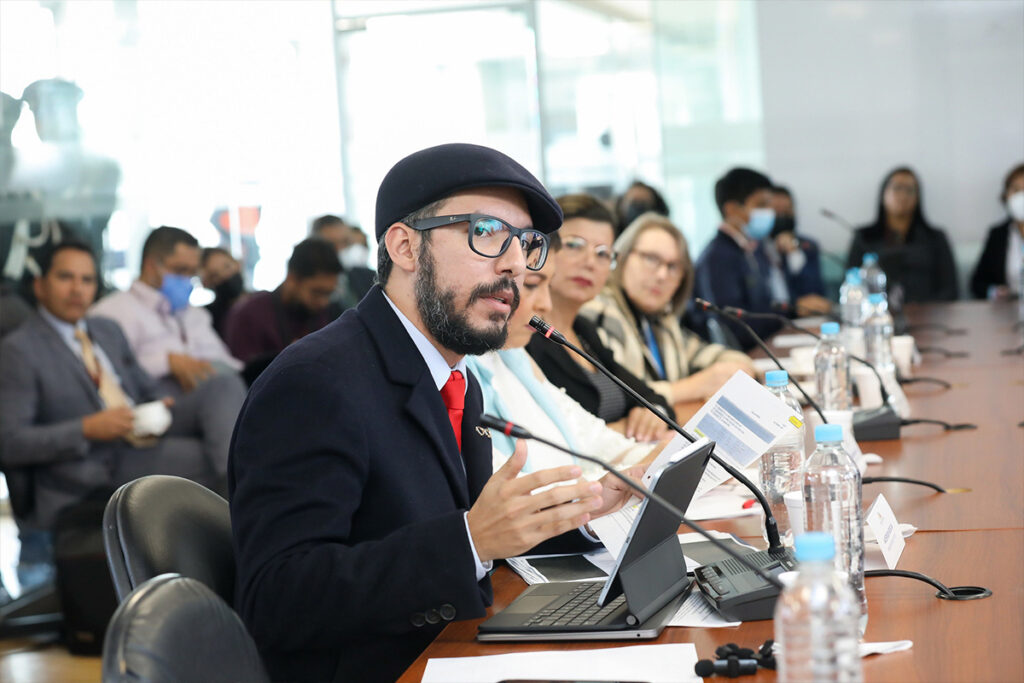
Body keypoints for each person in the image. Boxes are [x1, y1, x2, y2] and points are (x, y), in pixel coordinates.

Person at [229, 143, 637, 683]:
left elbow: (451, 525)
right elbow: (277, 598)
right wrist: (471, 541)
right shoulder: (314, 383)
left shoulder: (452, 373)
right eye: (487, 231)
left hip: (457, 650)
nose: (515, 262)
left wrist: (576, 509)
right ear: (404, 247)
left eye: (527, 243)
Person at [0, 240, 245, 589]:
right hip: (93, 462)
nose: (77, 289)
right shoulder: (19, 350)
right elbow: (10, 442)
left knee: (222, 385)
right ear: (40, 286)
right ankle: (244, 528)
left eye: (86, 280)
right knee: (208, 459)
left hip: (139, 434)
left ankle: (239, 512)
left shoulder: (105, 330)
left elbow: (145, 388)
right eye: (65, 278)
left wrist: (160, 404)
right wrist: (87, 428)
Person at [466, 232, 660, 479]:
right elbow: (521, 492)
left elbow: (590, 437)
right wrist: (633, 471)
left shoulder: (515, 355)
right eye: (533, 284)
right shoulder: (465, 369)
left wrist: (657, 454)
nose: (546, 304)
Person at [526, 194, 675, 442]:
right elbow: (558, 436)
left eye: (603, 253)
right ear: (542, 249)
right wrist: (623, 430)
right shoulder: (525, 337)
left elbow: (652, 399)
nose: (590, 262)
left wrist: (654, 414)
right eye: (574, 245)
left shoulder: (584, 331)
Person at [580, 212, 754, 406]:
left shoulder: (661, 319)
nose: (662, 275)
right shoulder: (600, 313)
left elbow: (709, 355)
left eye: (673, 266)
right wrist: (695, 386)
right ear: (622, 257)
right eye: (651, 259)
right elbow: (623, 397)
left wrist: (737, 366)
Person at [91, 226, 242, 393]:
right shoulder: (113, 312)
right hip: (156, 400)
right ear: (151, 266)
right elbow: (108, 372)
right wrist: (165, 362)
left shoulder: (194, 314)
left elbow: (227, 362)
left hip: (211, 389)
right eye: (180, 270)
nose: (187, 280)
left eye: (192, 273)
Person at [692, 167, 785, 350]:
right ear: (732, 209)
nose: (769, 213)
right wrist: (783, 316)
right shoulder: (717, 258)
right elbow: (736, 327)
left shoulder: (750, 249)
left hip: (762, 347)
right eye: (761, 205)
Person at [224, 238, 341, 382]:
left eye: (329, 294)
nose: (324, 302)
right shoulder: (249, 314)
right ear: (292, 279)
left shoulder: (318, 312)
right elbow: (241, 378)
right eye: (317, 292)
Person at [846, 167, 958, 302]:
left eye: (910, 190)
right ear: (883, 194)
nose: (903, 195)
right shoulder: (864, 237)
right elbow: (851, 282)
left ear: (917, 198)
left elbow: (950, 289)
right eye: (897, 188)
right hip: (878, 315)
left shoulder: (935, 238)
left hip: (928, 315)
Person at [762, 185, 831, 315]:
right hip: (780, 317)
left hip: (809, 317)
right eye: (777, 211)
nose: (782, 216)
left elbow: (816, 291)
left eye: (787, 211)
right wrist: (795, 305)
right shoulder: (758, 249)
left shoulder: (808, 245)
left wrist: (794, 254)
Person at [970, 163, 1024, 299]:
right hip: (1009, 313)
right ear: (1006, 196)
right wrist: (995, 292)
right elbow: (977, 283)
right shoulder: (998, 235)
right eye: (1016, 190)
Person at [310, 213, 376, 309]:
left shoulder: (370, 279)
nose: (340, 249)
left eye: (345, 242)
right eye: (331, 244)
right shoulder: (310, 288)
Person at [198, 246, 245, 338]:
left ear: (237, 264)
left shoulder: (264, 301)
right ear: (206, 283)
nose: (225, 276)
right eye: (215, 275)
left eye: (227, 267)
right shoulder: (207, 318)